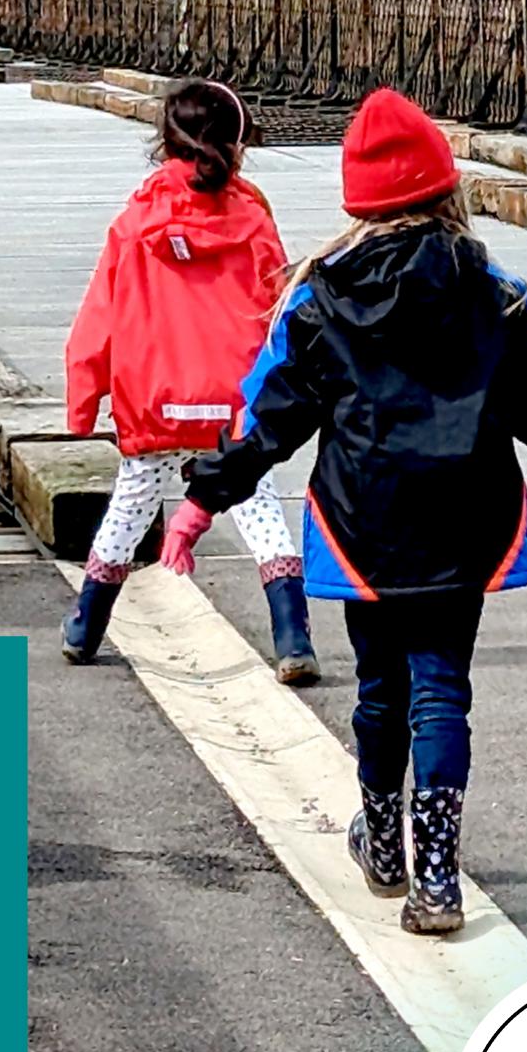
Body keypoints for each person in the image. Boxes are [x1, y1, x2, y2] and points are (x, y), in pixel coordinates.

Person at [162, 87, 527, 935]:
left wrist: (201, 499)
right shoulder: (498, 294)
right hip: (465, 521)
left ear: (357, 199)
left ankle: (381, 843)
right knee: (440, 689)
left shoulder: (314, 300)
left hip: (360, 527)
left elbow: (263, 421)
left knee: (378, 689)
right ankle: (438, 875)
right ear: (444, 188)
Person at [62, 77, 319, 680]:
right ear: (236, 146)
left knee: (128, 510)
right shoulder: (253, 221)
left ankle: (86, 623)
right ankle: (291, 636)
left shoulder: (134, 224)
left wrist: (82, 402)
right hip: (232, 403)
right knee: (258, 509)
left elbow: (97, 317)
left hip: (154, 399)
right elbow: (280, 310)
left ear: (165, 142)